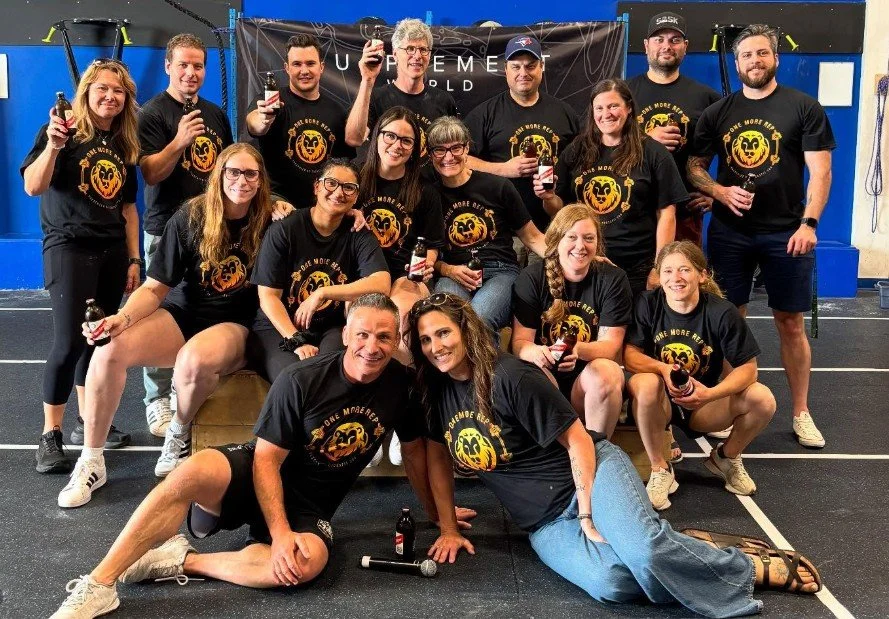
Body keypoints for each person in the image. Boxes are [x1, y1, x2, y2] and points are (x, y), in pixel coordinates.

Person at [49, 294, 470, 619]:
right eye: (362, 334)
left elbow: (416, 456)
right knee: (189, 472)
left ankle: (184, 561)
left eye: (384, 336)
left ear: (397, 340)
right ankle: (99, 583)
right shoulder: (301, 379)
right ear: (345, 334)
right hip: (257, 472)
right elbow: (266, 461)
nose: (371, 347)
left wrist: (441, 519)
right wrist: (279, 532)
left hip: (311, 504)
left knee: (301, 567)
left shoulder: (404, 387)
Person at [408, 293, 822, 618]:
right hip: (543, 522)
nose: (435, 346)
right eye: (425, 339)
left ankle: (745, 568)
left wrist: (586, 512)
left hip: (590, 474)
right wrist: (447, 527)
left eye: (443, 333)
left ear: (465, 330)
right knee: (615, 583)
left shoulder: (512, 376)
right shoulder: (435, 393)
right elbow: (437, 459)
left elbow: (579, 442)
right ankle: (681, 543)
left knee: (643, 553)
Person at [56, 143, 275, 509]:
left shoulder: (272, 218)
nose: (241, 180)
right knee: (109, 348)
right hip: (184, 314)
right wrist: (121, 319)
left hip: (234, 324)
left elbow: (321, 219)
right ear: (218, 174)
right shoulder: (191, 217)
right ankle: (91, 460)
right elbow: (155, 287)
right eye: (233, 172)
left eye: (250, 173)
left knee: (192, 359)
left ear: (260, 180)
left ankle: (179, 430)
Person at [687, 24, 835, 448]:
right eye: (746, 56)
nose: (754, 61)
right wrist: (717, 191)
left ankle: (801, 412)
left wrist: (809, 224)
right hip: (731, 234)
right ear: (737, 64)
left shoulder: (803, 107)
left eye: (762, 54)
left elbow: (820, 171)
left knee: (790, 323)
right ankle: (731, 403)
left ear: (775, 59)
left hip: (787, 234)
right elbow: (694, 167)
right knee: (730, 322)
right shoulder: (719, 112)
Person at [22, 58, 141, 474]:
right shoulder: (61, 133)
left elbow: (128, 208)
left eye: (118, 91)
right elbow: (33, 186)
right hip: (68, 246)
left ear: (126, 100)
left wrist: (133, 257)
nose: (110, 97)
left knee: (97, 341)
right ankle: (49, 434)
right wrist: (54, 146)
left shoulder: (125, 146)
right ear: (86, 93)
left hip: (111, 250)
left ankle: (87, 422)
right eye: (102, 89)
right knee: (69, 342)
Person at [624, 241, 776, 510]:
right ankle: (660, 469)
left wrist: (710, 394)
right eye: (668, 271)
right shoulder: (647, 303)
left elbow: (748, 369)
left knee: (763, 399)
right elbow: (630, 355)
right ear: (659, 275)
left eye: (684, 270)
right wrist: (661, 369)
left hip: (701, 402)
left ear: (702, 275)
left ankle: (726, 458)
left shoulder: (722, 312)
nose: (676, 278)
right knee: (645, 383)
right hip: (659, 402)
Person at [137, 33, 234, 439]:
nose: (191, 73)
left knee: (205, 310)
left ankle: (189, 386)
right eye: (183, 65)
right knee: (159, 312)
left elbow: (228, 172)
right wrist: (179, 142)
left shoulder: (215, 113)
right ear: (168, 66)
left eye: (198, 66)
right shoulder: (153, 114)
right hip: (165, 231)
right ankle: (156, 397)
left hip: (210, 232)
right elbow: (149, 173)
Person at [250, 159, 390, 382]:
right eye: (331, 183)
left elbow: (381, 282)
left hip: (329, 327)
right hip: (278, 326)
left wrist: (323, 293)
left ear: (355, 197)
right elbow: (267, 297)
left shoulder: (358, 233)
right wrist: (296, 340)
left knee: (332, 372)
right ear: (317, 187)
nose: (338, 192)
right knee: (293, 377)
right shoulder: (285, 229)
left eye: (348, 188)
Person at [543, 79, 686, 297]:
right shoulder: (576, 151)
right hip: (585, 261)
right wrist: (548, 196)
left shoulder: (653, 153)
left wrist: (659, 267)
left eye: (613, 106)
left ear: (628, 108)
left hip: (637, 265)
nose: (606, 114)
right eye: (599, 108)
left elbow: (667, 214)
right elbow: (558, 210)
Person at [511, 204, 632, 437]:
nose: (581, 246)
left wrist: (576, 349)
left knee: (608, 372)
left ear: (598, 243)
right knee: (530, 373)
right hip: (546, 377)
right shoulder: (531, 279)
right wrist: (536, 352)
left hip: (586, 385)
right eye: (572, 237)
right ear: (556, 240)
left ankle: (598, 450)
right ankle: (553, 455)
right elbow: (519, 343)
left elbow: (611, 347)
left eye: (589, 238)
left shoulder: (613, 279)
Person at [428, 116, 545, 336]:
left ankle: (487, 372)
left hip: (500, 271)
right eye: (440, 150)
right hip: (454, 273)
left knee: (479, 318)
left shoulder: (498, 186)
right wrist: (447, 269)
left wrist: (573, 258)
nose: (448, 157)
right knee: (448, 321)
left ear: (467, 149)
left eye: (456, 148)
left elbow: (533, 237)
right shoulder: (430, 195)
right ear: (431, 155)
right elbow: (427, 253)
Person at [465, 35, 581, 238]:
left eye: (530, 66)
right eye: (516, 66)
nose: (523, 73)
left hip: (554, 230)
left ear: (541, 67)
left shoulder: (565, 113)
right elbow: (461, 160)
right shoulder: (484, 114)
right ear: (506, 70)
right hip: (502, 233)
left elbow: (579, 170)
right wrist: (504, 169)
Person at [357, 106, 445, 363]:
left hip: (405, 274)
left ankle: (410, 393)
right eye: (390, 136)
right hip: (363, 273)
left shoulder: (425, 191)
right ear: (377, 136)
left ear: (415, 148)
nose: (397, 145)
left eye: (407, 140)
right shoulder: (355, 178)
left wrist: (427, 264)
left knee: (400, 318)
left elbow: (432, 245)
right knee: (364, 323)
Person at [627, 12, 721, 247]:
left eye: (674, 40)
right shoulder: (624, 94)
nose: (666, 46)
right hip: (630, 210)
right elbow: (598, 144)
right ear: (646, 46)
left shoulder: (706, 98)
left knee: (680, 281)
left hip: (684, 214)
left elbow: (733, 153)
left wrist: (716, 195)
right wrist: (646, 139)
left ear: (685, 47)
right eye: (659, 39)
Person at [246, 33, 356, 208]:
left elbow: (346, 165)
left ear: (321, 67)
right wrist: (263, 119)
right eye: (297, 64)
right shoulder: (271, 101)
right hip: (277, 206)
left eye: (310, 63)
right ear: (287, 68)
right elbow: (254, 124)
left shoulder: (338, 111)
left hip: (322, 210)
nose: (304, 71)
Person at [345, 17, 458, 173]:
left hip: (428, 192)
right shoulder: (374, 98)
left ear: (429, 56)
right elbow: (353, 139)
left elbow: (454, 154)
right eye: (410, 49)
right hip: (383, 190)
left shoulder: (444, 101)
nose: (417, 56)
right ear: (395, 54)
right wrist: (367, 80)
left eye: (423, 49)